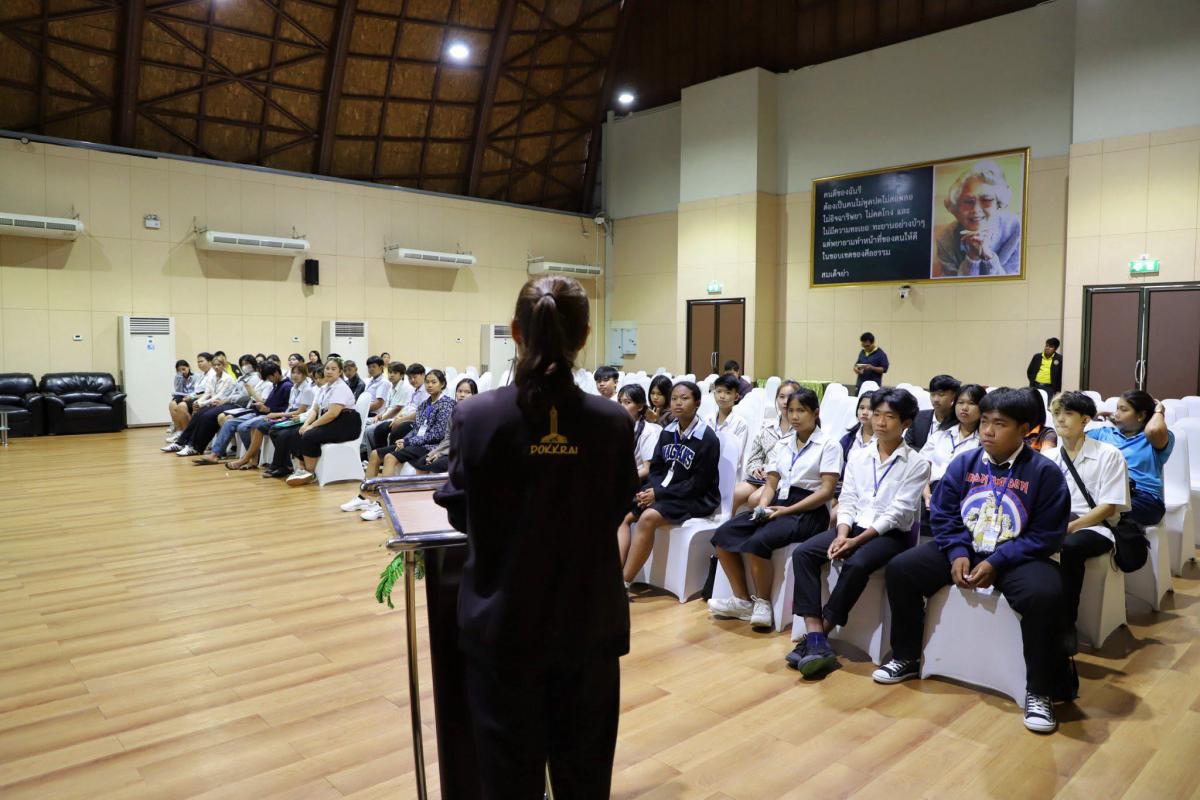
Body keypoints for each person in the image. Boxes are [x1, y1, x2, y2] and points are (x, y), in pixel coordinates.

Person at [432, 274, 637, 798]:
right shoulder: (612, 422)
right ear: (584, 335)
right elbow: (618, 506)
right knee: (584, 781)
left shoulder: (475, 414)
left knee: (507, 783)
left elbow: (459, 511)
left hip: (503, 626)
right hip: (587, 625)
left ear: (515, 331)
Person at [875, 387, 1072, 734]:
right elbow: (943, 513)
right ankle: (906, 655)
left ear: (1024, 429)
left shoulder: (1044, 473)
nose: (988, 431)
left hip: (1017, 556)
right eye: (984, 422)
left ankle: (1040, 690)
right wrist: (957, 552)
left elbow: (1046, 535)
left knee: (1045, 595)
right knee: (902, 569)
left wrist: (998, 561)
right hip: (967, 548)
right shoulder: (964, 463)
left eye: (1000, 424)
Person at [786, 388, 928, 676]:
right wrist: (842, 534)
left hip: (891, 535)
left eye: (890, 417)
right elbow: (848, 499)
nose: (880, 422)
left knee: (858, 562)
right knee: (803, 553)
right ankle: (815, 636)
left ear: (905, 423)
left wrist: (855, 541)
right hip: (852, 527)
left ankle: (821, 634)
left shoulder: (917, 463)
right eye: (877, 414)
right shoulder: (859, 456)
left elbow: (897, 513)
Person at [708, 387, 842, 630]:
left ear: (816, 412)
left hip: (809, 511)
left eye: (801, 411)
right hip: (779, 502)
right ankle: (742, 600)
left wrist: (786, 511)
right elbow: (771, 484)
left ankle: (763, 603)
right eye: (791, 410)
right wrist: (762, 507)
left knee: (758, 541)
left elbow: (826, 492)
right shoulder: (783, 444)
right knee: (723, 534)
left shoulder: (829, 445)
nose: (794, 416)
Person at [1043, 391, 1130, 653]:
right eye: (1056, 413)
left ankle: (1066, 624)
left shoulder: (1108, 454)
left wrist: (1070, 527)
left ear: (1085, 420)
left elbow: (1109, 506)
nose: (1060, 419)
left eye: (1068, 413)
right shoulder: (1048, 457)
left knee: (1069, 547)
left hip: (1096, 526)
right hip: (1058, 523)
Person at [618, 381, 721, 585]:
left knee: (648, 517)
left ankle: (623, 583)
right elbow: (656, 468)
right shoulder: (668, 432)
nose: (678, 403)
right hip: (666, 492)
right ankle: (612, 574)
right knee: (623, 513)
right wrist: (650, 491)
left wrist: (658, 494)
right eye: (674, 398)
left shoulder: (707, 438)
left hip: (696, 498)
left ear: (697, 403)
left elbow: (698, 484)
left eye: (684, 398)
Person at [1088, 390, 1174, 526]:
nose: (1116, 413)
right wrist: (1090, 418)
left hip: (1143, 497)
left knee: (1105, 510)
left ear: (1140, 416)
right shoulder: (1104, 433)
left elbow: (1154, 430)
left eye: (1123, 410)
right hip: (1107, 492)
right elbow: (1073, 439)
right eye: (1117, 408)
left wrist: (1159, 411)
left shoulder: (1154, 438)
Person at [933, 159, 1022, 277]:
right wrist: (972, 258)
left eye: (987, 200)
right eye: (968, 201)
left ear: (998, 204)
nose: (976, 209)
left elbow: (1012, 285)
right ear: (956, 207)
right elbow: (952, 287)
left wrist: (988, 256)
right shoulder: (946, 239)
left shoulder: (1017, 229)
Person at [281, 359, 362, 486]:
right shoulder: (324, 388)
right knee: (296, 432)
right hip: (333, 421)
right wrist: (306, 424)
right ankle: (301, 469)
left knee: (310, 435)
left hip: (347, 424)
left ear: (340, 372)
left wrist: (312, 426)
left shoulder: (341, 388)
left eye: (333, 369)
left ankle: (310, 473)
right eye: (327, 368)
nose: (329, 371)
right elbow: (315, 410)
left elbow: (333, 413)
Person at [194, 361, 290, 464]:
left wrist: (268, 409)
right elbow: (269, 403)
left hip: (270, 415)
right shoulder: (276, 384)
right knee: (229, 422)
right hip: (259, 412)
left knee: (243, 427)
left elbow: (285, 409)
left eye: (269, 377)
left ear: (276, 373)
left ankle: (253, 455)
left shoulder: (286, 386)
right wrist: (262, 406)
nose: (269, 380)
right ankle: (215, 454)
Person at [225, 363, 313, 471]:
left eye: (298, 373)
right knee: (255, 426)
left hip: (298, 418)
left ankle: (247, 460)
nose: (295, 375)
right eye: (293, 373)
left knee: (264, 427)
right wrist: (277, 415)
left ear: (305, 374)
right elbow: (289, 408)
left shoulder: (302, 388)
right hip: (287, 415)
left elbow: (300, 411)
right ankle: (252, 460)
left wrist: (276, 414)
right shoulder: (293, 387)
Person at [732, 380, 800, 513]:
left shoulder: (801, 429)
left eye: (790, 397)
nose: (785, 401)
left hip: (784, 480)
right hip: (761, 479)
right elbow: (754, 459)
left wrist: (770, 472)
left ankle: (756, 525)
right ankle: (728, 524)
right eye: (781, 397)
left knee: (755, 499)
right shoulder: (767, 428)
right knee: (734, 493)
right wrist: (756, 469)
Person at [415, 378, 477, 474]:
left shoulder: (476, 414)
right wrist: (435, 452)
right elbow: (448, 438)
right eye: (459, 391)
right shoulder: (454, 412)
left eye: (467, 392)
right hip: (450, 450)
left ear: (474, 395)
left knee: (434, 465)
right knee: (422, 462)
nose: (462, 395)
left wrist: (441, 454)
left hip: (465, 453)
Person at [617, 384, 662, 483]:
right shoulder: (616, 425)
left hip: (633, 480)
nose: (621, 406)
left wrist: (620, 481)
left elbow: (646, 470)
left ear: (640, 406)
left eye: (627, 402)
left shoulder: (647, 431)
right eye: (620, 402)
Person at [905, 374, 960, 451]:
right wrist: (925, 456)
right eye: (932, 394)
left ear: (954, 395)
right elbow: (907, 445)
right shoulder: (919, 416)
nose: (935, 399)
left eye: (941, 394)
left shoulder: (960, 420)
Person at [167, 351, 214, 439]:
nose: (199, 364)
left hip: (204, 398)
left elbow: (208, 393)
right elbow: (196, 390)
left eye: (201, 361)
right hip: (196, 396)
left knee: (182, 406)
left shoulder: (212, 374)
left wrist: (191, 397)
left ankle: (187, 435)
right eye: (198, 362)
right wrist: (189, 396)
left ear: (209, 362)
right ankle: (179, 431)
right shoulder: (202, 374)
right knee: (172, 404)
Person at [839, 394, 875, 463]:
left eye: (870, 409)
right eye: (862, 408)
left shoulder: (883, 441)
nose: (864, 412)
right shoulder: (848, 439)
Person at [166, 359, 197, 435]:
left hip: (192, 396)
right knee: (172, 404)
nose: (182, 372)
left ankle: (186, 431)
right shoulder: (178, 376)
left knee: (181, 405)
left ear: (188, 367)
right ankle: (177, 429)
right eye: (179, 370)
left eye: (184, 369)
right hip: (182, 395)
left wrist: (189, 396)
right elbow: (178, 390)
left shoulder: (195, 376)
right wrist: (180, 379)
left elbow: (197, 390)